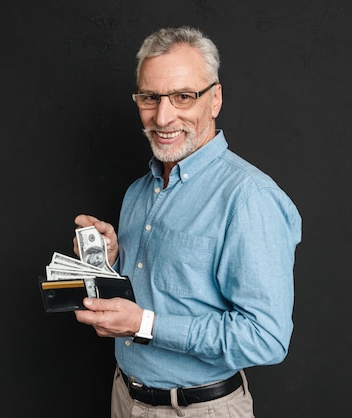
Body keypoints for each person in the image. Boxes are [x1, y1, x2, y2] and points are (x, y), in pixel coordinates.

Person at [73, 26, 301, 418]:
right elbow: (159, 289)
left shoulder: (249, 198)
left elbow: (266, 339)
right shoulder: (137, 193)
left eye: (183, 96)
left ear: (215, 100)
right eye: (150, 97)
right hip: (124, 398)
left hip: (199, 410)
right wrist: (111, 258)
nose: (163, 117)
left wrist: (144, 324)